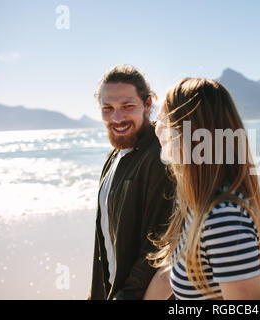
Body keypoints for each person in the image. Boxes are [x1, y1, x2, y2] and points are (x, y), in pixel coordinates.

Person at [144, 78, 260, 300]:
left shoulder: (223, 218)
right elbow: (168, 274)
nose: (157, 129)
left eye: (163, 120)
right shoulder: (196, 206)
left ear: (190, 131)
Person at [89, 65, 174, 300]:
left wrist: (125, 296)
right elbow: (106, 237)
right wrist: (97, 291)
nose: (117, 118)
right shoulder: (115, 154)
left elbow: (158, 245)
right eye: (108, 108)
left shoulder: (160, 156)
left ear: (148, 104)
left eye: (127, 106)